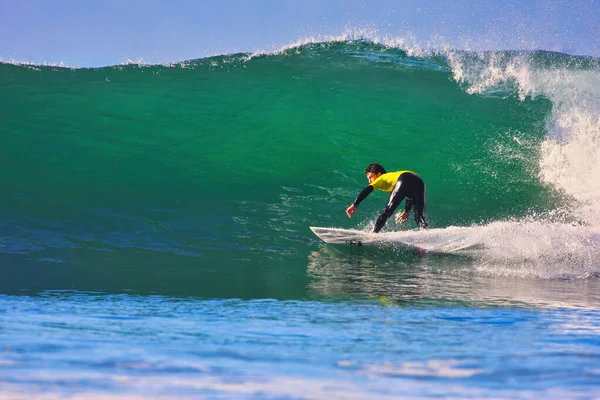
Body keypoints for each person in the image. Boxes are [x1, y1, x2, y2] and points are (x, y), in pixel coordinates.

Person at [346, 163, 428, 233]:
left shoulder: (382, 177)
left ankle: (374, 233)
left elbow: (367, 190)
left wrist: (355, 204)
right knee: (419, 217)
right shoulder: (392, 178)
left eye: (370, 177)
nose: (370, 181)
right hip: (419, 181)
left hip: (404, 178)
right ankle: (426, 233)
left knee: (387, 212)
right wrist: (406, 211)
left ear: (378, 174)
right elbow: (409, 194)